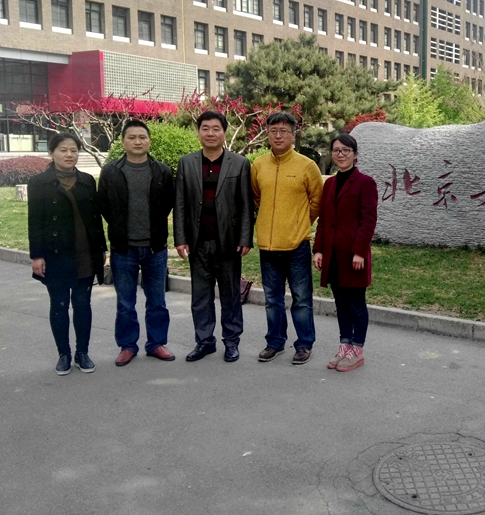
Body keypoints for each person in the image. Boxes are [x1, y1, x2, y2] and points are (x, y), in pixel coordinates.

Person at [174, 111, 253, 363]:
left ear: (224, 132)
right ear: (198, 132)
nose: (210, 133)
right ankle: (204, 341)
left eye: (216, 128)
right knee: (200, 297)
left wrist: (245, 238)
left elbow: (246, 205)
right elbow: (180, 204)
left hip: (228, 242)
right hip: (197, 242)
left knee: (230, 296)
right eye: (205, 128)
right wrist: (180, 238)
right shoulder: (187, 163)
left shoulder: (239, 163)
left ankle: (231, 342)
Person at [28, 133, 107, 375]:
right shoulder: (39, 182)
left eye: (74, 150)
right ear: (51, 153)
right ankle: (64, 353)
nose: (69, 155)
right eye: (63, 150)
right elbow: (35, 221)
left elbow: (95, 219)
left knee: (82, 304)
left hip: (85, 252)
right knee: (59, 305)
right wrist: (37, 255)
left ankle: (82, 352)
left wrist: (102, 248)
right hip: (55, 254)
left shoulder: (87, 180)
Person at [98, 119, 176, 367]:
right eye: (131, 137)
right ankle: (127, 346)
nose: (137, 141)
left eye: (142, 137)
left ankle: (156, 343)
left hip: (155, 248)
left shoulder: (162, 171)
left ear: (149, 141)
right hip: (124, 248)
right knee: (125, 303)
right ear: (123, 141)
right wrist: (119, 227)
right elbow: (104, 205)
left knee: (157, 301)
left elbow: (168, 204)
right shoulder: (111, 171)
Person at [251, 112, 322, 365]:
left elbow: (317, 201)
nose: (278, 135)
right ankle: (275, 342)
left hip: (297, 244)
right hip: (268, 246)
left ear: (293, 134)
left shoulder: (307, 165)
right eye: (273, 131)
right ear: (267, 134)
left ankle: (304, 344)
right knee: (272, 300)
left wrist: (300, 222)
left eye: (284, 131)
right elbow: (257, 197)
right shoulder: (259, 165)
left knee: (301, 299)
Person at [312, 134, 378, 372]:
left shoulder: (365, 183)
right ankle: (344, 344)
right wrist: (318, 250)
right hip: (333, 255)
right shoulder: (329, 184)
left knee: (356, 303)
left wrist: (359, 251)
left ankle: (357, 349)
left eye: (346, 150)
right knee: (340, 302)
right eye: (336, 150)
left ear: (355, 154)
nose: (341, 154)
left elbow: (368, 221)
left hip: (353, 256)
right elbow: (323, 220)